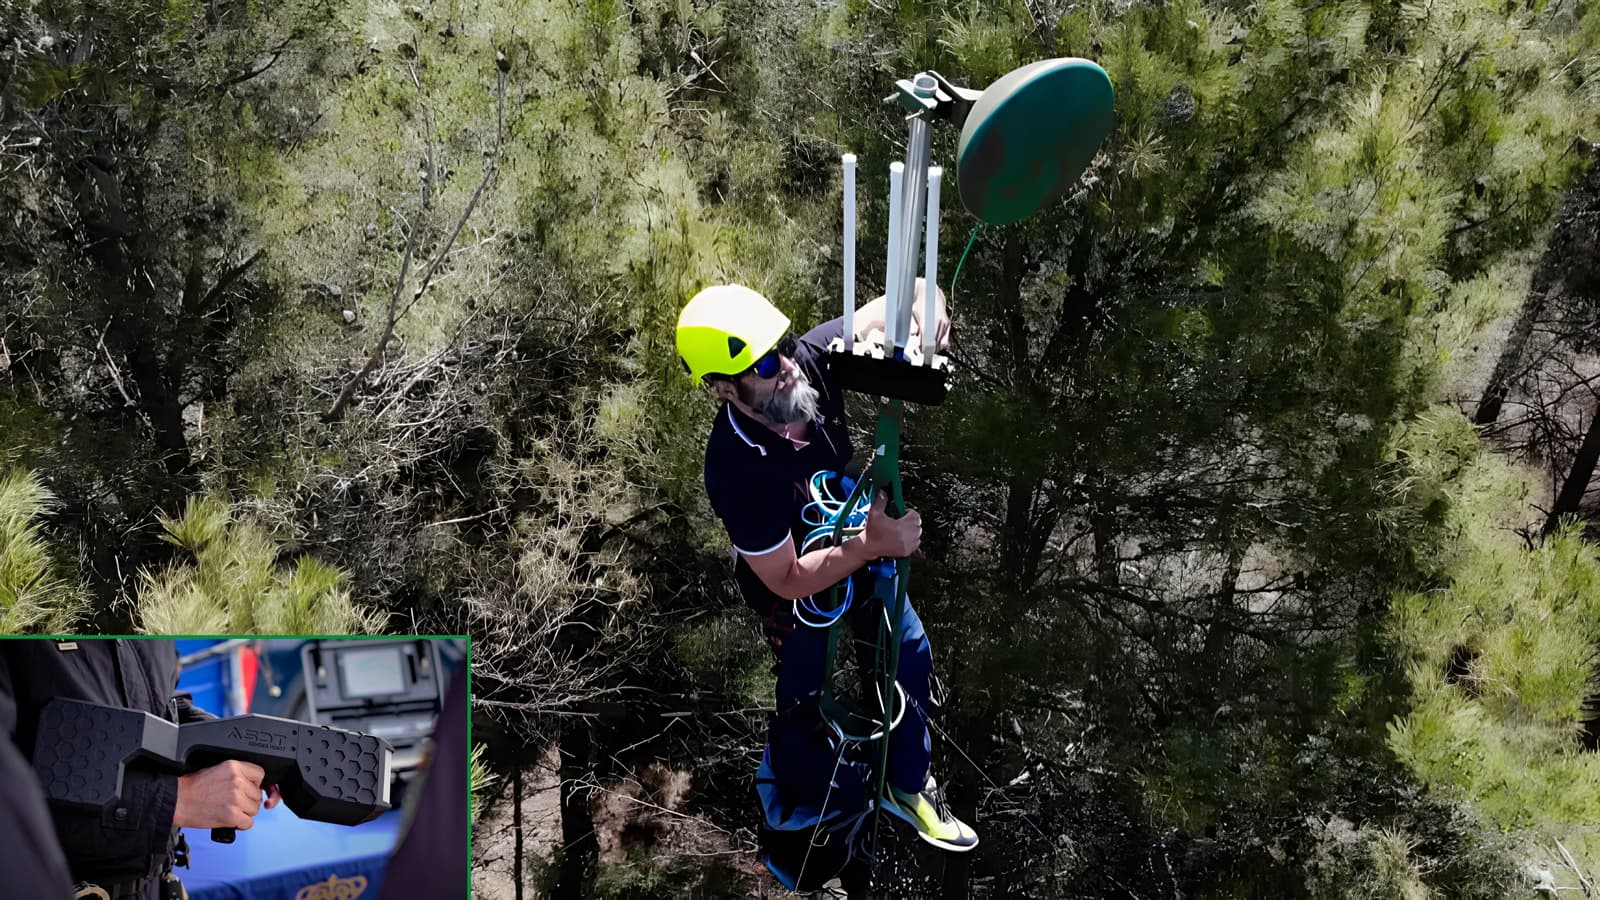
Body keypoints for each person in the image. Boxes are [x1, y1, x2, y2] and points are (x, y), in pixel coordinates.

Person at [676, 280, 978, 853]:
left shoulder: (809, 364)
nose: (786, 366)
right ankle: (818, 808)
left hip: (850, 529)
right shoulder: (735, 468)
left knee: (908, 654)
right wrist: (871, 547)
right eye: (766, 363)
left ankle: (906, 786)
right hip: (793, 582)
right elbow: (786, 579)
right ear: (722, 388)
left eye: (783, 346)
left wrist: (928, 315)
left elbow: (909, 292)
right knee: (807, 693)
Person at [0, 639, 282, 900]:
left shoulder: (146, 601)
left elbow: (161, 701)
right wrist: (176, 800)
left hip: (157, 886)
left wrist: (231, 744)